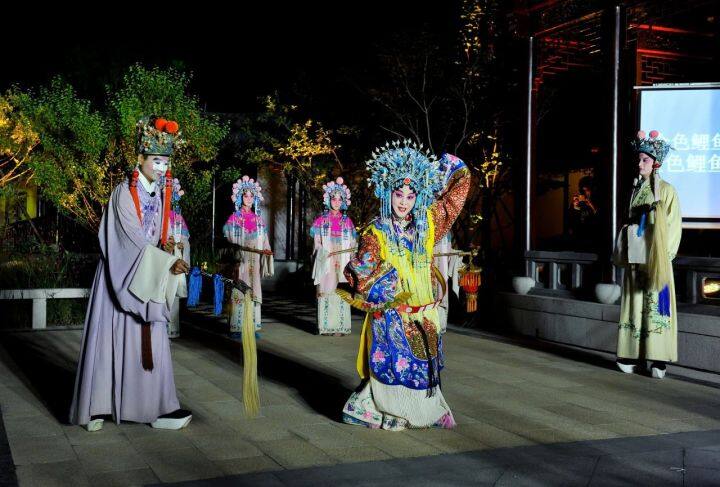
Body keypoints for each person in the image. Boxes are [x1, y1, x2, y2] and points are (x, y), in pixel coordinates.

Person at [70, 116, 192, 431]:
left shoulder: (161, 195)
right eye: (156, 160)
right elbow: (129, 241)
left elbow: (161, 237)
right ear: (140, 158)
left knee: (153, 341)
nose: (162, 167)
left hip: (150, 273)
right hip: (120, 274)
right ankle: (97, 407)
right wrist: (165, 263)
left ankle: (158, 407)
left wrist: (172, 251)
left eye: (166, 162)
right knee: (109, 341)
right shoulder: (123, 194)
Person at [339, 141, 470, 430]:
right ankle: (379, 408)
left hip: (424, 311)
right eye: (398, 194)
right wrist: (386, 285)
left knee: (424, 363)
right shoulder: (375, 230)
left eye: (411, 196)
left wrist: (445, 168)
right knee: (396, 364)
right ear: (387, 193)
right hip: (393, 311)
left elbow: (456, 194)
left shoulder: (427, 223)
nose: (404, 202)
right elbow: (363, 267)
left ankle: (424, 411)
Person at [616, 130, 681, 379]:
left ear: (655, 163)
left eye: (645, 159)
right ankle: (631, 353)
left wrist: (663, 254)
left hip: (656, 256)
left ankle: (659, 358)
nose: (640, 164)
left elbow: (673, 225)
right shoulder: (636, 189)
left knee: (658, 304)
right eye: (639, 159)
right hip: (637, 253)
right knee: (635, 302)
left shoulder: (667, 190)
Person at [223, 176, 274, 339]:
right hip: (241, 260)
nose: (249, 199)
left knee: (254, 290)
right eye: (246, 196)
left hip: (255, 260)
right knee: (239, 289)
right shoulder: (234, 219)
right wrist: (238, 251)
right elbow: (229, 239)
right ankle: (237, 327)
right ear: (240, 198)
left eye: (252, 196)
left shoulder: (259, 220)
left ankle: (252, 327)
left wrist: (267, 250)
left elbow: (265, 240)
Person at [310, 177, 357, 336]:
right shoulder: (321, 221)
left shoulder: (348, 222)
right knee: (327, 291)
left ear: (343, 202)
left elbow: (353, 244)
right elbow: (317, 243)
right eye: (333, 199)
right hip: (327, 261)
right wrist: (323, 252)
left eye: (339, 199)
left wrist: (352, 258)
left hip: (343, 262)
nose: (336, 202)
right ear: (328, 200)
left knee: (341, 292)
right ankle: (326, 327)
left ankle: (341, 327)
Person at [167, 178, 190, 339]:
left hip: (175, 257)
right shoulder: (155, 214)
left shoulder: (178, 218)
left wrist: (182, 245)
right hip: (161, 257)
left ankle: (172, 329)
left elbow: (186, 240)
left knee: (173, 294)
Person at [568, 176, 599, 251]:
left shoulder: (597, 202)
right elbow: (572, 221)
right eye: (583, 191)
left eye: (587, 190)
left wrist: (591, 205)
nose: (585, 193)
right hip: (578, 240)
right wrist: (575, 208)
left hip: (592, 240)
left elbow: (599, 220)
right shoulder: (578, 201)